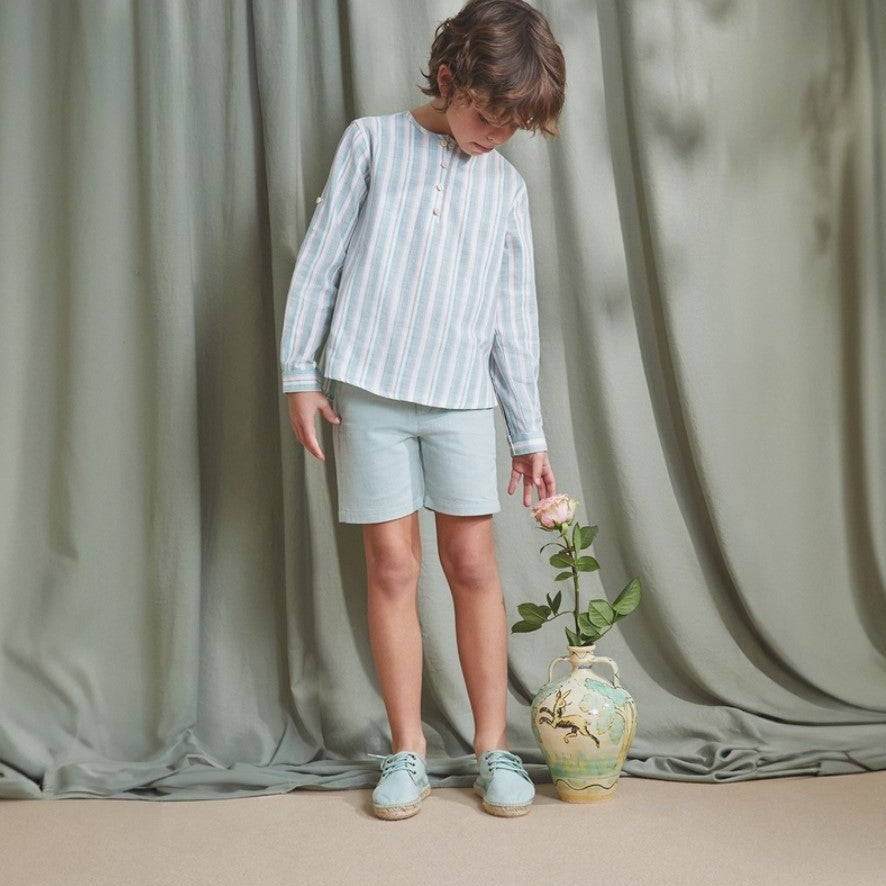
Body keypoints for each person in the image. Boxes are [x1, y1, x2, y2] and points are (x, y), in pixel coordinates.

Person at [280, 0, 565, 819]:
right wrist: (301, 373)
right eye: (486, 116)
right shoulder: (372, 142)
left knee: (472, 566)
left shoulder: (504, 190)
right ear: (449, 80)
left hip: (462, 406)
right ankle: (406, 749)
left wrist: (529, 432)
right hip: (366, 394)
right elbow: (322, 258)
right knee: (392, 566)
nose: (494, 136)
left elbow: (514, 320)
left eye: (512, 128)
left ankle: (491, 745)